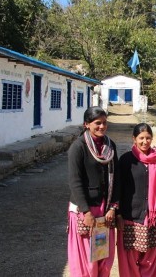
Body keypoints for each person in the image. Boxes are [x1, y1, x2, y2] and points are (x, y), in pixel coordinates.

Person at [67, 106, 118, 277]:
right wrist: (86, 211)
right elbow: (75, 181)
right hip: (86, 210)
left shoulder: (110, 147)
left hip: (104, 210)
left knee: (102, 255)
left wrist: (113, 207)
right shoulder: (78, 148)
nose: (102, 127)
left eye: (104, 123)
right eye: (97, 123)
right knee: (86, 260)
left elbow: (115, 178)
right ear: (86, 124)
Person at [115, 123, 156, 277]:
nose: (145, 142)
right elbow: (118, 187)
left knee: (150, 258)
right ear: (134, 139)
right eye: (141, 138)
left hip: (151, 218)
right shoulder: (126, 160)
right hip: (130, 216)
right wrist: (118, 213)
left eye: (148, 138)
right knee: (129, 259)